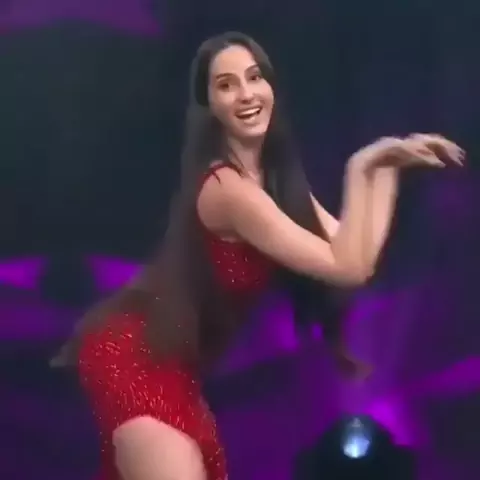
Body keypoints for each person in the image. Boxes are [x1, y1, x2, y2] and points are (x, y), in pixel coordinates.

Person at [52, 31, 464, 480]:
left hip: (178, 367)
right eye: (226, 85)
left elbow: (357, 258)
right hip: (136, 352)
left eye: (254, 77)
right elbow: (346, 264)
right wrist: (361, 167)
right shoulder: (228, 189)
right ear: (209, 105)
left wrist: (383, 170)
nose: (247, 94)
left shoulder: (272, 182)